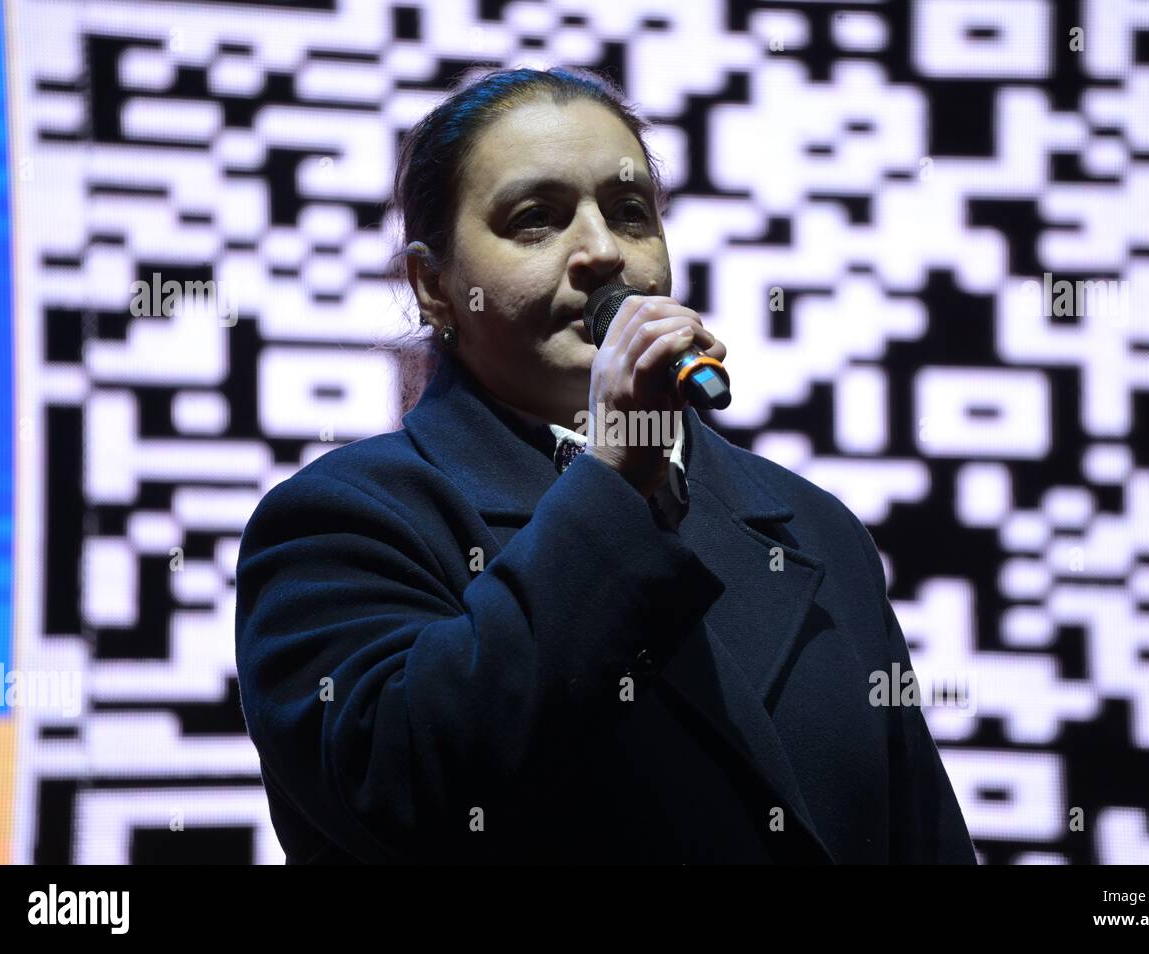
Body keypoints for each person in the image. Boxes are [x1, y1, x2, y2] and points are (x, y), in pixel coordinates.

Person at [234, 66, 977, 864]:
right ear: (434, 286)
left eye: (630, 213)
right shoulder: (341, 521)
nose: (601, 253)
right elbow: (408, 792)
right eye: (535, 220)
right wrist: (614, 479)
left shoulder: (812, 526)